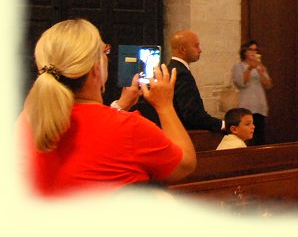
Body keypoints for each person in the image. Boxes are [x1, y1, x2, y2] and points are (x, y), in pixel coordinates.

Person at [22, 19, 196, 197]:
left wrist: (121, 105)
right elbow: (185, 165)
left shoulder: (24, 122)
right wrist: (165, 105)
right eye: (105, 51)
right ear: (96, 69)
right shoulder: (129, 128)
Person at [168, 30, 225, 131]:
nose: (200, 50)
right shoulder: (181, 74)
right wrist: (222, 125)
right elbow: (192, 114)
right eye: (196, 46)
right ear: (183, 49)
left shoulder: (171, 69)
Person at [232, 40, 273, 145]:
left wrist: (261, 72)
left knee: (260, 137)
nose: (254, 52)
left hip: (260, 106)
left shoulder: (260, 67)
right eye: (251, 50)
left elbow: (268, 85)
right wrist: (250, 68)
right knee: (247, 138)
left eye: (255, 50)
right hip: (247, 106)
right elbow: (241, 83)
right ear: (245, 51)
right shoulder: (238, 66)